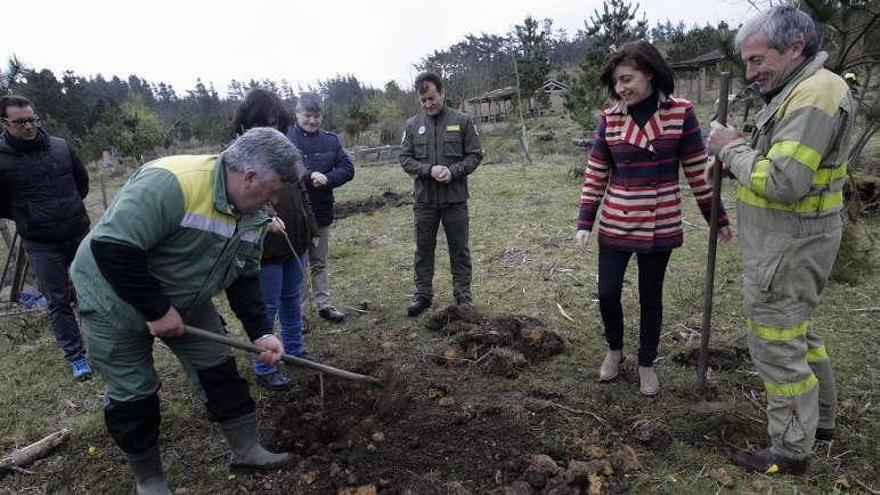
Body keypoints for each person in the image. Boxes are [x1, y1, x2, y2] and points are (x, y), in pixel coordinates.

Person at [69, 128, 300, 494]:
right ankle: (151, 481)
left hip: (186, 299)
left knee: (219, 368)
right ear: (249, 177)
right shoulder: (172, 183)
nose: (274, 201)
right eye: (273, 191)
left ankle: (247, 451)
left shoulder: (254, 215)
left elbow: (244, 276)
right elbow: (113, 246)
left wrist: (261, 331)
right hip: (111, 297)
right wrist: (157, 310)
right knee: (135, 393)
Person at [707, 5, 853, 474]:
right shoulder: (803, 89)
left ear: (795, 48)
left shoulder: (815, 95)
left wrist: (729, 147)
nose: (749, 73)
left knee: (777, 340)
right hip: (792, 240)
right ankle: (821, 421)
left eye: (757, 60)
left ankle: (791, 449)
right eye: (746, 63)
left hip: (791, 244)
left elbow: (782, 182)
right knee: (798, 331)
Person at [575, 41, 732, 396]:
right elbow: (596, 173)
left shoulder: (681, 113)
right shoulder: (610, 118)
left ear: (649, 73)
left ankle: (647, 361)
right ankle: (614, 350)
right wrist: (585, 222)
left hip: (659, 223)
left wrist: (717, 218)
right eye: (616, 82)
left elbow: (696, 171)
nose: (621, 88)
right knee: (608, 293)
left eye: (627, 79)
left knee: (651, 296)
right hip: (617, 219)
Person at [0, 95, 93, 381]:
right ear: (4, 123)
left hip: (77, 233)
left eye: (32, 119)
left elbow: (82, 181)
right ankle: (77, 357)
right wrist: (28, 215)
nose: (28, 126)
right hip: (41, 243)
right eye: (20, 122)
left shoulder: (60, 146)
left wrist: (70, 208)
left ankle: (103, 342)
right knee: (58, 300)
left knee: (92, 290)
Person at [234, 89, 320, 390]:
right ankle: (264, 366)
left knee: (292, 300)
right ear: (248, 124)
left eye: (274, 124)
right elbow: (237, 210)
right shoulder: (237, 161)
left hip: (294, 240)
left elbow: (302, 192)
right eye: (264, 124)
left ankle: (295, 351)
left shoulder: (285, 153)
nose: (271, 131)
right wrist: (264, 221)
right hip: (264, 251)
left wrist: (311, 228)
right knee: (266, 306)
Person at [399, 72, 484, 316]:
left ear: (442, 93)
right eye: (423, 100)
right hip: (425, 201)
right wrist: (428, 170)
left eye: (432, 98)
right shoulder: (413, 125)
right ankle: (423, 295)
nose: (428, 104)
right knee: (423, 250)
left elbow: (475, 154)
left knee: (459, 250)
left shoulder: (463, 121)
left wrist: (453, 171)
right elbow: (404, 158)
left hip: (455, 200)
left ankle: (463, 297)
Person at [287, 93, 355, 324]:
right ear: (297, 114)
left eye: (316, 116)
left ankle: (324, 304)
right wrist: (307, 176)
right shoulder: (285, 139)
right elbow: (282, 168)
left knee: (319, 261)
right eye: (307, 115)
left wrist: (328, 178)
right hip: (294, 212)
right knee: (297, 264)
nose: (312, 120)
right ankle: (299, 313)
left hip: (322, 210)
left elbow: (348, 168)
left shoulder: (331, 141)